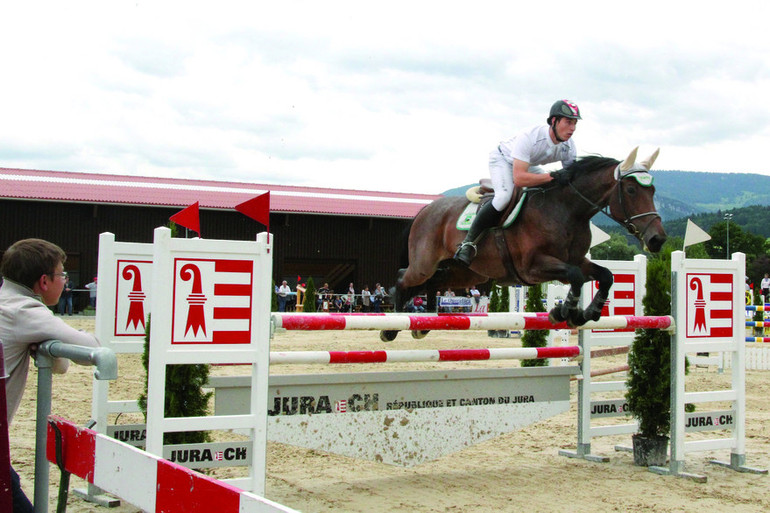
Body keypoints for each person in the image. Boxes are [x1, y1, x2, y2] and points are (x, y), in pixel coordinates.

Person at [0, 238, 100, 512]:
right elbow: (92, 348)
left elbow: (58, 366)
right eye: (61, 275)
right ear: (44, 282)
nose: (65, 281)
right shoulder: (25, 311)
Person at [454, 99, 581, 266]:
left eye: (575, 123)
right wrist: (553, 176)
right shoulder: (531, 137)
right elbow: (520, 179)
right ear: (553, 121)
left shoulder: (569, 147)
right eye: (568, 122)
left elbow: (571, 178)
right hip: (503, 160)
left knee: (548, 190)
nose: (572, 128)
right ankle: (468, 244)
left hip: (528, 164)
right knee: (503, 197)